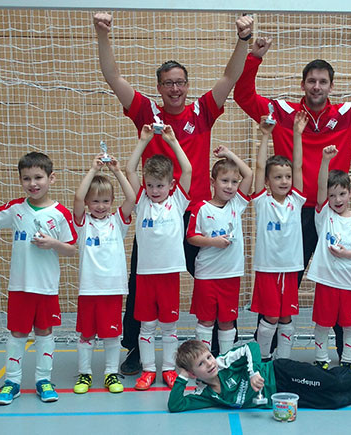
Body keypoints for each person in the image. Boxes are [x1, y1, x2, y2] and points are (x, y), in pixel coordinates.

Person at [93, 12, 254, 373]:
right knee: (140, 283)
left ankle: (220, 345)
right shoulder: (146, 113)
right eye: (168, 83)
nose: (175, 89)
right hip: (155, 217)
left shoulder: (203, 110)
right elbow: (112, 76)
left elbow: (230, 76)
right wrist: (102, 35)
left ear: (187, 84)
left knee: (214, 277)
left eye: (180, 82)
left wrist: (243, 41)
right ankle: (136, 347)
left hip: (198, 214)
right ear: (159, 87)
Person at [234, 37, 351, 362]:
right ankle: (262, 351)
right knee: (283, 282)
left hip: (331, 215)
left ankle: (347, 350)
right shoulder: (283, 113)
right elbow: (243, 95)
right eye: (311, 80)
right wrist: (254, 58)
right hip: (290, 213)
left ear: (331, 86)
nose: (317, 86)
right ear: (303, 84)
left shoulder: (349, 115)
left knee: (339, 280)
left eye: (323, 81)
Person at [0, 152, 77, 405]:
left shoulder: (60, 213)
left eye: (38, 177)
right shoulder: (15, 208)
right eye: (26, 178)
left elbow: (72, 248)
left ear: (51, 178)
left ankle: (43, 380)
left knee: (44, 333)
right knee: (17, 334)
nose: (33, 183)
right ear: (21, 180)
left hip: (45, 287)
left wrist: (53, 243)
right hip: (19, 286)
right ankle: (12, 381)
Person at [125, 124, 192, 391]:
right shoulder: (141, 200)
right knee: (147, 325)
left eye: (160, 185)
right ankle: (148, 370)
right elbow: (130, 170)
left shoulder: (177, 202)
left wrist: (173, 141)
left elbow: (187, 170)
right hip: (145, 275)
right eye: (150, 185)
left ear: (171, 185)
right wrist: (143, 141)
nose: (154, 190)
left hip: (169, 274)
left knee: (168, 325)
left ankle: (168, 369)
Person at [168, 340, 351, 412]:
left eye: (208, 357)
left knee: (332, 382)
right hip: (282, 396)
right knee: (333, 402)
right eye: (201, 364)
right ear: (192, 373)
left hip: (281, 373)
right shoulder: (206, 394)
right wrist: (181, 376)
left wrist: (254, 373)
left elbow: (252, 347)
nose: (209, 364)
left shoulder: (223, 362)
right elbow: (176, 405)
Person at [71, 153, 135, 394]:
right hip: (89, 288)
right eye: (95, 201)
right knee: (87, 334)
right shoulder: (82, 223)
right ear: (88, 203)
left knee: (111, 335)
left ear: (111, 202)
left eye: (106, 201)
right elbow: (77, 197)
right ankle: (85, 374)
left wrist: (117, 171)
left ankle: (110, 373)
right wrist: (92, 169)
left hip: (112, 288)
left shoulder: (118, 221)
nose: (101, 206)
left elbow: (131, 197)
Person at [306, 145, 351, 370]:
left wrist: (348, 254)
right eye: (332, 195)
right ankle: (321, 358)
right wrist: (325, 160)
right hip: (326, 282)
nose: (337, 199)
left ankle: (349, 360)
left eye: (342, 193)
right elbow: (321, 187)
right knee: (323, 324)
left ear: (350, 193)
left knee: (350, 324)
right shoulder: (324, 216)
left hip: (349, 284)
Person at [250, 113, 307, 360]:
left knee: (286, 317)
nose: (284, 181)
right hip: (268, 269)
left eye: (286, 177)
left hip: (290, 268)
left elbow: (298, 165)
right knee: (271, 316)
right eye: (277, 177)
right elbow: (260, 166)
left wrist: (297, 134)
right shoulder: (263, 202)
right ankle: (262, 359)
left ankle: (283, 361)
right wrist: (265, 136)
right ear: (267, 182)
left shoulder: (296, 199)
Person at [186, 146, 253, 355]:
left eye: (234, 182)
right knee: (205, 321)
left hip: (230, 275)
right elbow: (191, 237)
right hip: (207, 275)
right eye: (225, 181)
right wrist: (213, 242)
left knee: (226, 322)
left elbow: (249, 174)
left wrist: (230, 155)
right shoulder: (201, 208)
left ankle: (225, 363)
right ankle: (203, 362)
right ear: (212, 182)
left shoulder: (236, 205)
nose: (230, 186)